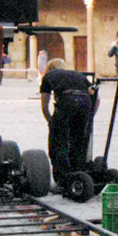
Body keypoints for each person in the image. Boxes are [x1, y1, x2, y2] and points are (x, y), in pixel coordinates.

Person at [40, 58, 94, 188]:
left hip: (66, 101)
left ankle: (62, 179)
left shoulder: (48, 76)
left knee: (58, 142)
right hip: (85, 102)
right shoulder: (78, 74)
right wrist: (89, 117)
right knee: (78, 141)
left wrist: (51, 121)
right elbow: (96, 98)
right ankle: (79, 174)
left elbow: (44, 105)